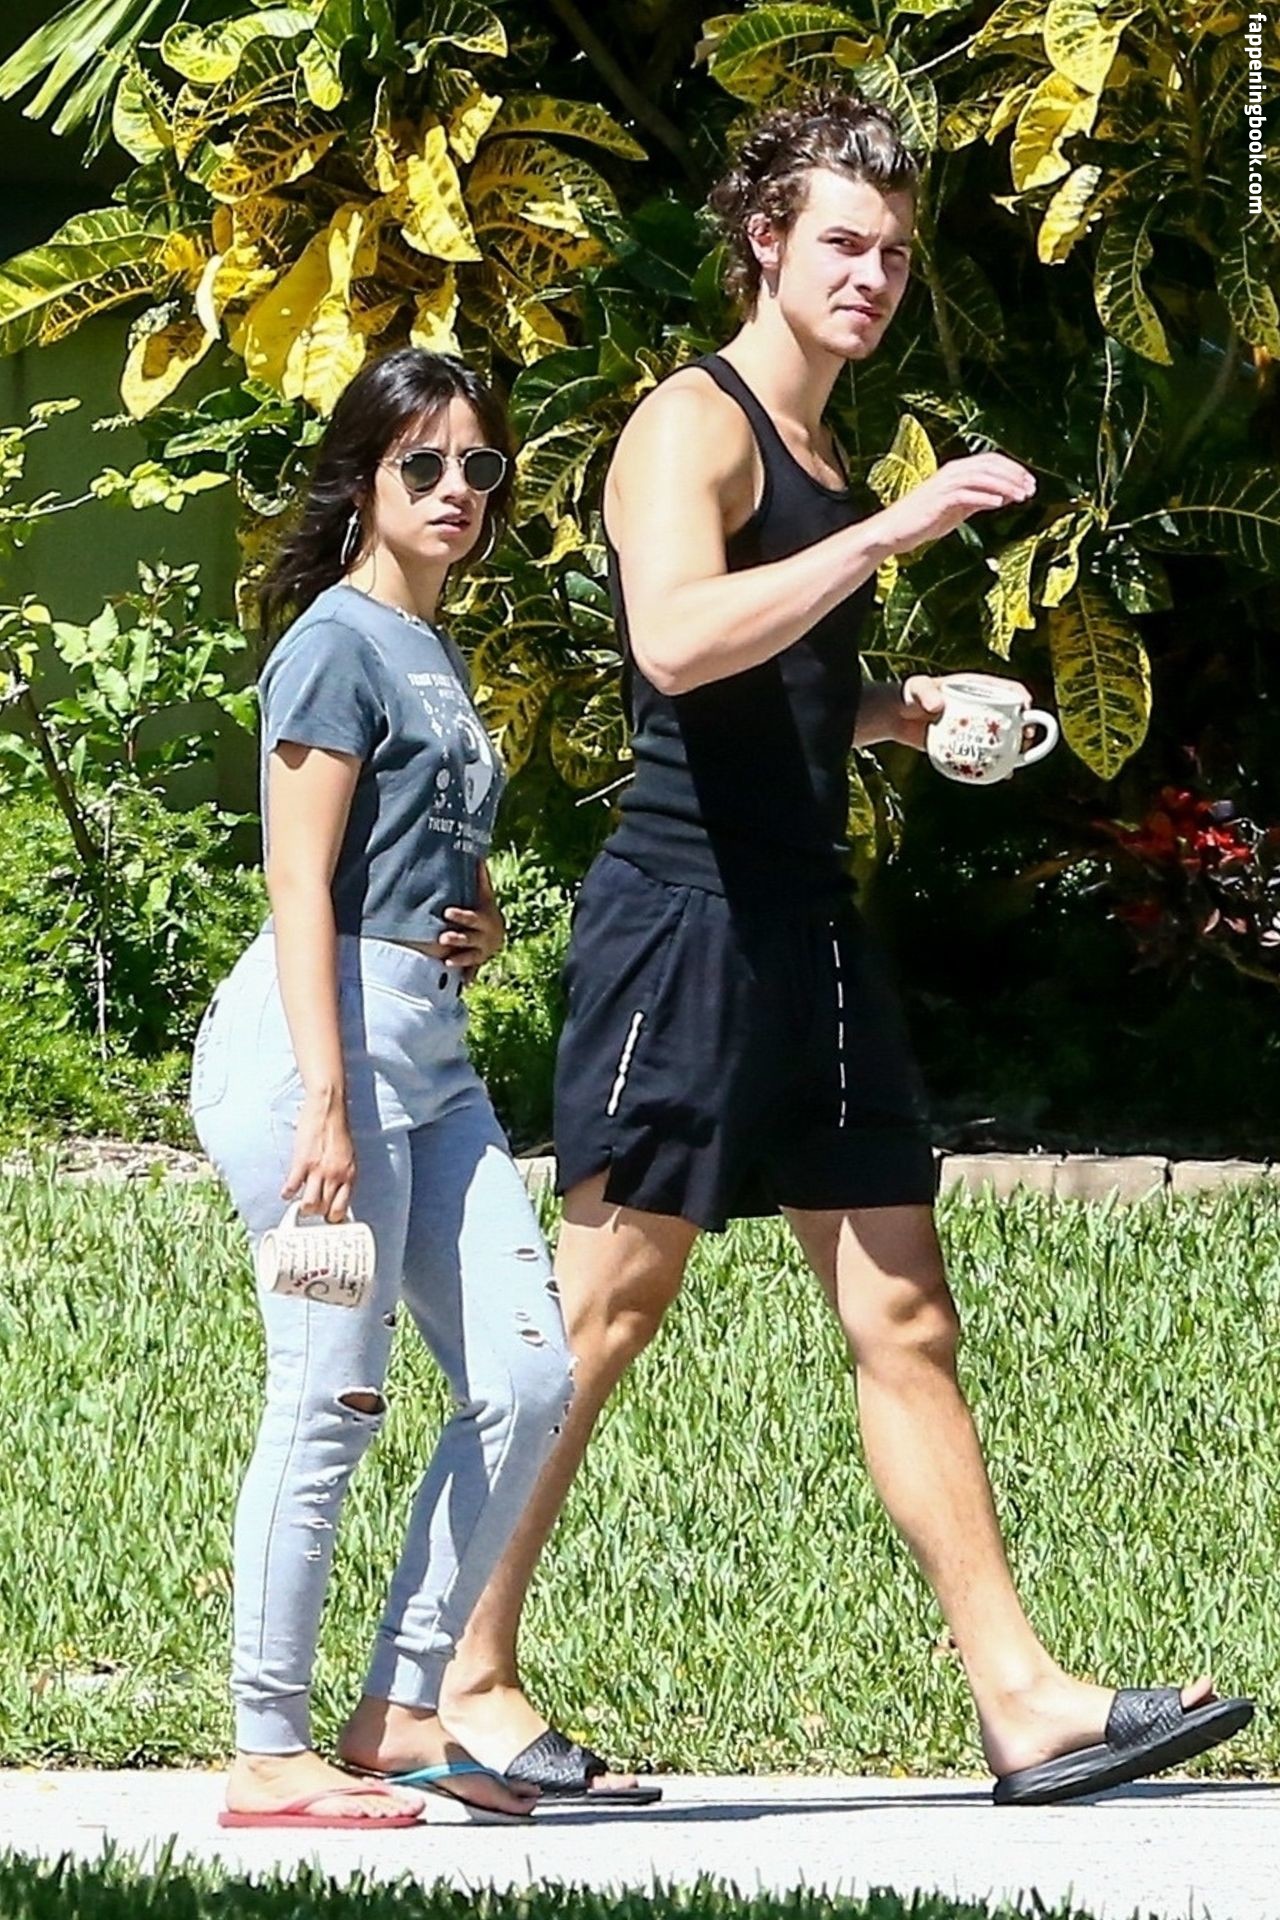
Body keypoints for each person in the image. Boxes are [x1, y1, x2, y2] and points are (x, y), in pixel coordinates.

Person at [436, 91, 1252, 1809]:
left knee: (902, 1307)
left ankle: (1022, 1699)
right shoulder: (693, 425)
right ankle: (459, 1679)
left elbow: (776, 678)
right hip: (686, 920)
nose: (871, 275)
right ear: (765, 242)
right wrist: (891, 535)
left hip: (806, 921)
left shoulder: (821, 455)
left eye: (891, 252)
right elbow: (676, 642)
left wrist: (896, 709)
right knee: (603, 1309)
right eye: (841, 243)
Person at [190, 348, 574, 1831]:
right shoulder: (334, 644)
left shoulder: (431, 647)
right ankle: (266, 1746)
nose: (457, 489)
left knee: (526, 1378)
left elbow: (409, 857)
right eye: (425, 464)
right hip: (316, 1057)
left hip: (430, 1055)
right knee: (332, 1393)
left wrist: (475, 919)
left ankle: (404, 1705)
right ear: (363, 478)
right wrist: (326, 1105)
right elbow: (298, 881)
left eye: (482, 466)